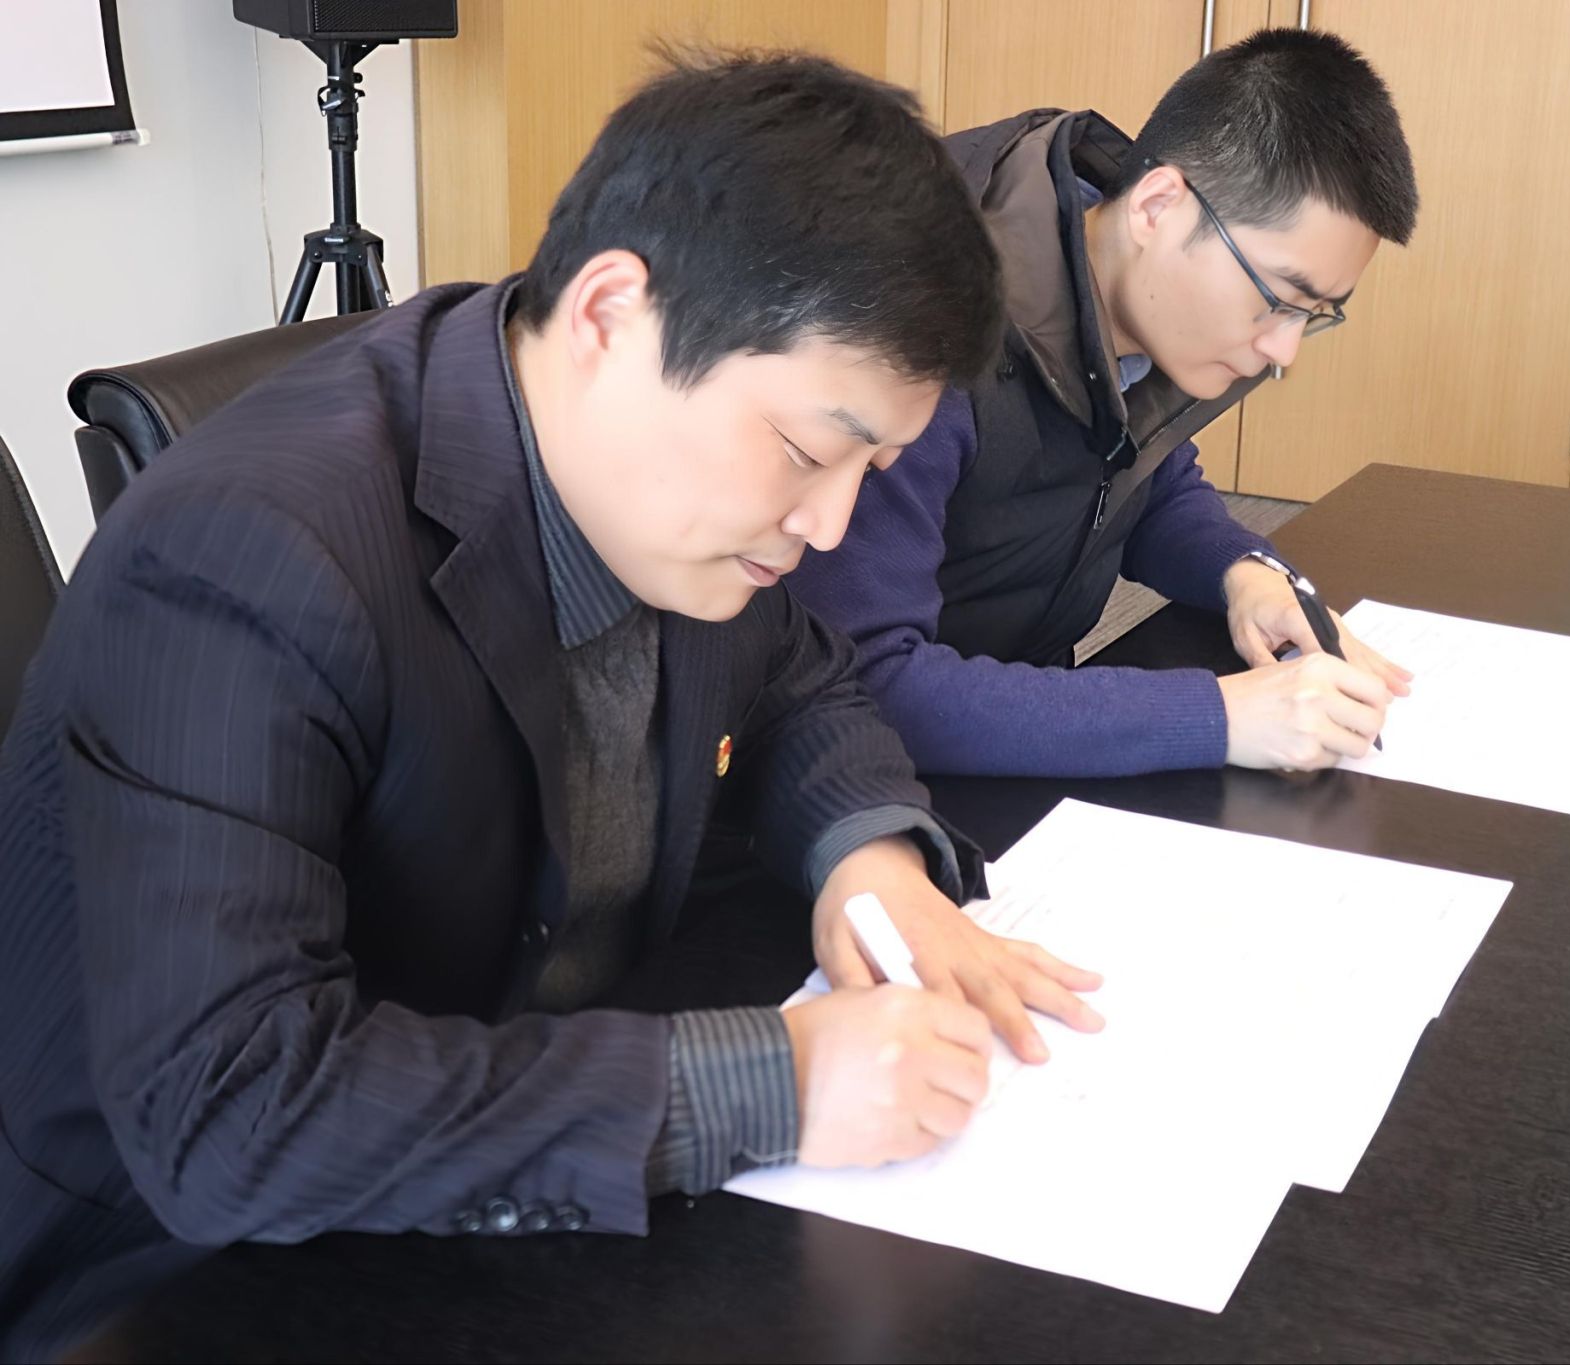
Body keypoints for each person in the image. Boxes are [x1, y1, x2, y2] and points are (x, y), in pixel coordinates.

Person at [0, 52, 1103, 1358]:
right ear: (609, 313)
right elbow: (231, 1114)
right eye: (811, 451)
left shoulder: (657, 490)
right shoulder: (246, 556)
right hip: (185, 1273)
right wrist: (776, 1081)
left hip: (517, 1160)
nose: (828, 522)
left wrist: (868, 857)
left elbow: (799, 672)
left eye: (874, 465)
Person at [785, 28, 1421, 779]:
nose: (1284, 350)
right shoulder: (928, 331)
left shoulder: (1129, 298)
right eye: (1279, 300)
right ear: (1157, 206)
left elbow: (1144, 486)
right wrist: (1216, 716)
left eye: (1313, 315)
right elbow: (866, 681)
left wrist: (1243, 573)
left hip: (1012, 732)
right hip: (851, 781)